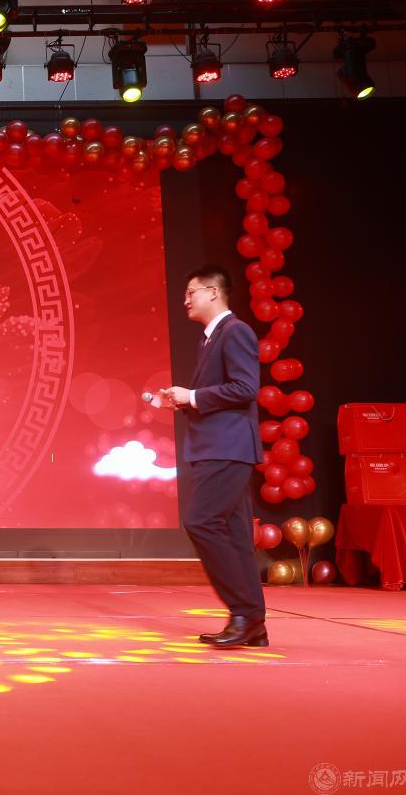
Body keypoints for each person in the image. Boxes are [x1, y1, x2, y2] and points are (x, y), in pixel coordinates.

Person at [157, 266, 267, 648]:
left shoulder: (235, 331)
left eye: (191, 292)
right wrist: (185, 402)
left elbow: (245, 387)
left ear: (213, 292)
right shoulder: (209, 339)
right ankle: (252, 623)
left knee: (200, 521)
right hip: (218, 446)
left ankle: (243, 612)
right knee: (236, 535)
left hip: (228, 446)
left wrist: (193, 396)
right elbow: (223, 393)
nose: (186, 300)